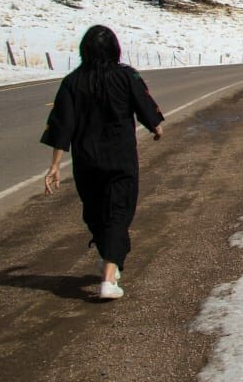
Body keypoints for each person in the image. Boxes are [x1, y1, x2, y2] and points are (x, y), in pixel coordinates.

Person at [41, 25, 165, 300]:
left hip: (87, 161)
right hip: (120, 159)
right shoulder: (126, 75)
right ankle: (109, 277)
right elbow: (145, 105)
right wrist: (155, 127)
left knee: (95, 214)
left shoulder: (72, 82)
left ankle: (110, 262)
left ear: (84, 51)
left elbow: (62, 125)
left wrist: (55, 165)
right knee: (118, 213)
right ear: (115, 49)